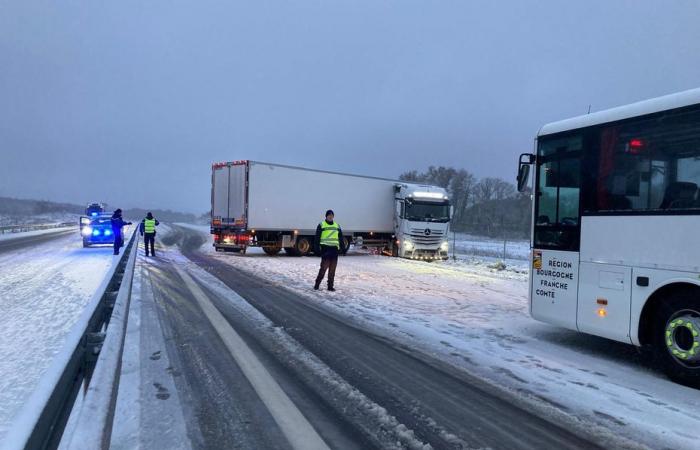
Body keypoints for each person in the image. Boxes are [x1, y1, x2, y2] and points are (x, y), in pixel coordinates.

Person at [314, 209, 346, 291]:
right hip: (326, 250)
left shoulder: (337, 226)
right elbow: (317, 238)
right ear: (326, 216)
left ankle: (330, 286)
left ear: (333, 216)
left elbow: (340, 238)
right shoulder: (321, 225)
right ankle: (317, 284)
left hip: (334, 251)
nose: (330, 217)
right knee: (323, 269)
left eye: (332, 215)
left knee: (332, 270)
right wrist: (317, 249)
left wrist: (343, 248)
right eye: (329, 215)